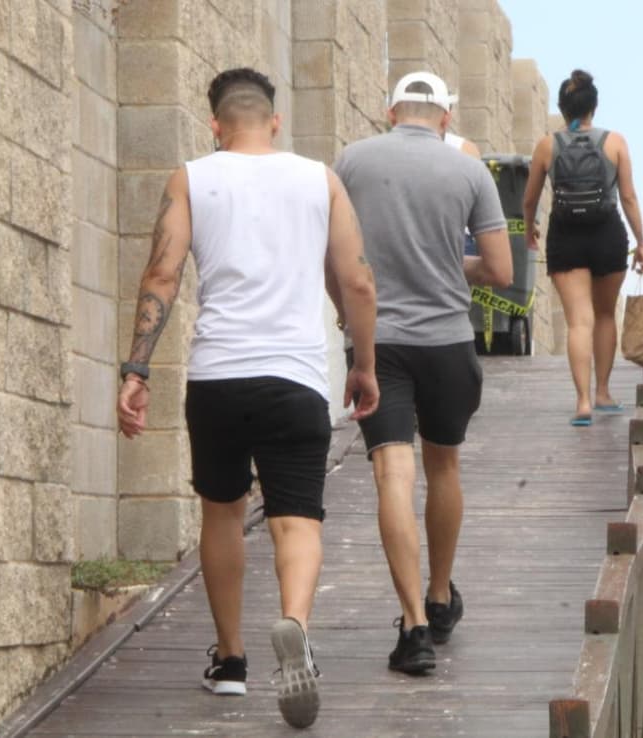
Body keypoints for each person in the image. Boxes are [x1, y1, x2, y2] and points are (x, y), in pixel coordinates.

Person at [116, 67, 379, 729]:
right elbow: (356, 280)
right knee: (297, 518)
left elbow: (163, 273)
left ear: (214, 124)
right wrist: (362, 362)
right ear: (276, 120)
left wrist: (136, 370)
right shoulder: (320, 179)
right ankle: (293, 623)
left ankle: (230, 663)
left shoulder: (192, 177)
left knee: (223, 513)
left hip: (218, 377)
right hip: (292, 377)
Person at [333, 71, 512, 675]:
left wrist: (348, 319)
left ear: (391, 112)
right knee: (444, 464)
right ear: (444, 118)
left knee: (391, 473)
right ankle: (439, 596)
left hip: (378, 342)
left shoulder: (351, 162)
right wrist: (446, 266)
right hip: (447, 343)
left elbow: (334, 260)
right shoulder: (468, 171)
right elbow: (500, 270)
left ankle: (412, 629)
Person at [523, 69, 643, 426]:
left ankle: (582, 403)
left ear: (562, 107)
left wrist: (530, 227)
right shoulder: (615, 142)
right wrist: (640, 242)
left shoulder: (547, 145)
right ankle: (603, 392)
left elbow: (530, 198)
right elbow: (627, 196)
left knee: (580, 321)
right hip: (607, 234)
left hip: (566, 236)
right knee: (605, 315)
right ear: (594, 105)